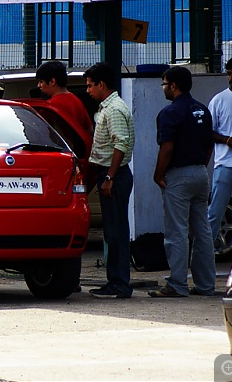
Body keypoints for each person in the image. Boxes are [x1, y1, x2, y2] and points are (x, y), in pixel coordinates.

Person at [149, 67, 216, 298]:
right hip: (200, 173)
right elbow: (209, 145)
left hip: (178, 175)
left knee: (177, 231)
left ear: (174, 86)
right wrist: (199, 166)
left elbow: (166, 148)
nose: (164, 88)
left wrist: (158, 175)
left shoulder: (170, 113)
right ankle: (206, 285)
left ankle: (177, 284)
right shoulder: (202, 110)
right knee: (203, 232)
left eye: (165, 84)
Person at [84, 62, 135, 299]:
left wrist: (109, 177)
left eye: (90, 85)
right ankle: (116, 281)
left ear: (101, 84)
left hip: (114, 175)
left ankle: (120, 283)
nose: (88, 90)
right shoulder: (108, 107)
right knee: (112, 231)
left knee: (116, 232)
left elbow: (120, 144)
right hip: (109, 173)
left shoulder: (113, 109)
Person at [208, 54, 232, 253]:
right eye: (229, 74)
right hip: (225, 163)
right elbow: (208, 131)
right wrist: (228, 140)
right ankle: (205, 254)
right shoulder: (219, 100)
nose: (231, 79)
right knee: (215, 211)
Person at [36, 60, 93, 135]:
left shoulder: (50, 107)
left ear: (52, 82)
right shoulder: (76, 101)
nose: (39, 85)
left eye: (41, 82)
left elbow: (38, 132)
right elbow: (89, 130)